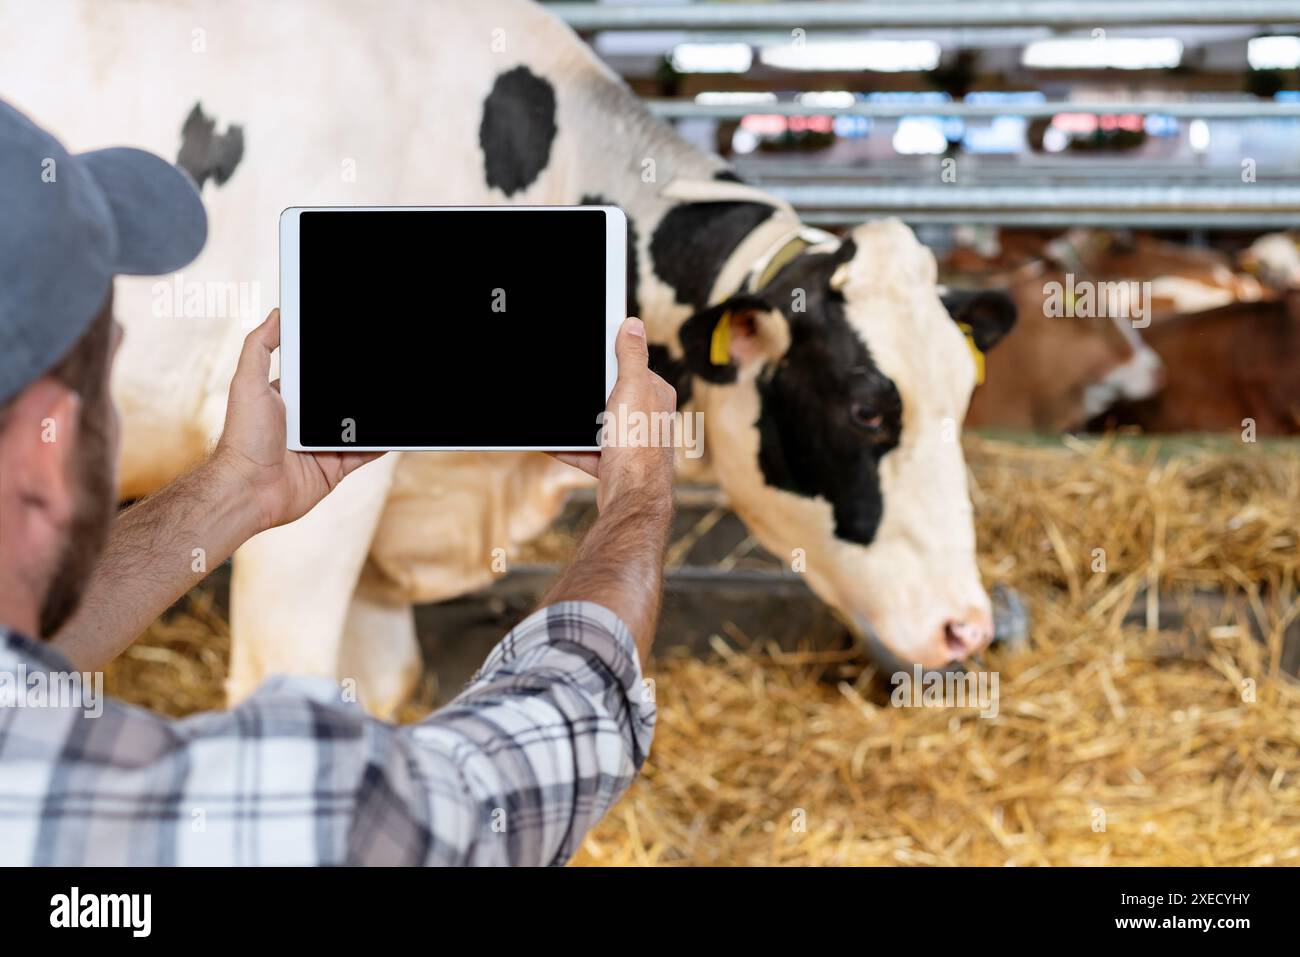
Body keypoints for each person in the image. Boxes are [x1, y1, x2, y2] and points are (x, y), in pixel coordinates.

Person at [0, 98, 676, 865]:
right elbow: (484, 795)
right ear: (43, 451)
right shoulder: (209, 814)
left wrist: (236, 488)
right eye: (106, 371)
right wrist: (638, 500)